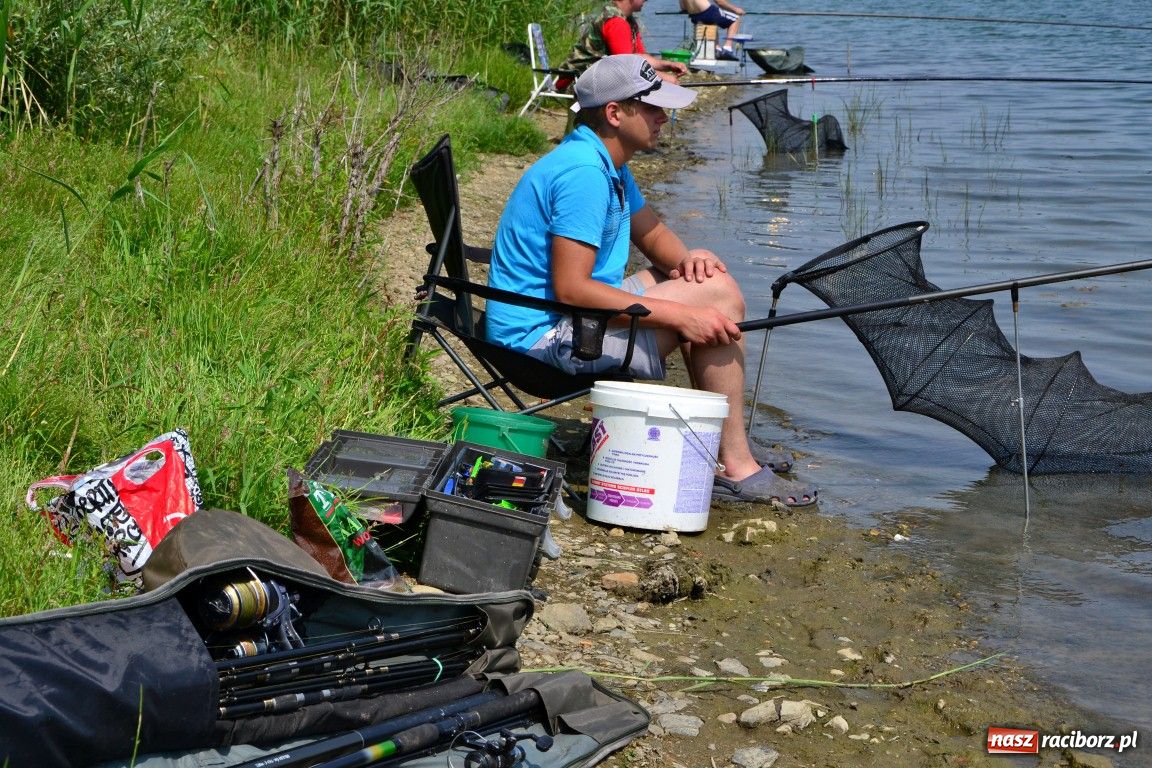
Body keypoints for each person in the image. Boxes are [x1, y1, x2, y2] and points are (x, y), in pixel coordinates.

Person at [485, 55, 816, 507]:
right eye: (654, 107)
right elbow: (572, 289)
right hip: (543, 342)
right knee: (715, 298)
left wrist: (690, 259)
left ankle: (729, 442)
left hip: (570, 319)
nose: (666, 117)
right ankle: (736, 464)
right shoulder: (584, 175)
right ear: (615, 113)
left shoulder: (607, 162)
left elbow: (652, 233)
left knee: (707, 279)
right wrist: (684, 315)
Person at [556, 0, 687, 91]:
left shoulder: (628, 20)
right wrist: (664, 78)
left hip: (597, 77)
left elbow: (638, 58)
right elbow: (628, 66)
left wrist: (667, 65)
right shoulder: (616, 22)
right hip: (577, 81)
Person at [679, 0, 746, 60]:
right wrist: (736, 10)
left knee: (712, 22)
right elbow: (720, 2)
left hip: (695, 16)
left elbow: (683, 7)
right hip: (707, 11)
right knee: (735, 19)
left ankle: (717, 49)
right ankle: (727, 48)